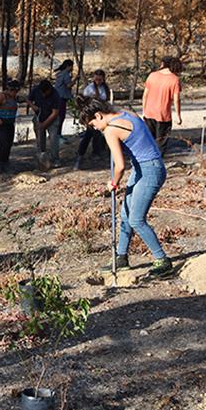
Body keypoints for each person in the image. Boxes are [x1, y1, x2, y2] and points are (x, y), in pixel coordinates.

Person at [78, 96, 173, 277]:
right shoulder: (125, 113)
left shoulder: (111, 130)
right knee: (125, 214)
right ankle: (121, 257)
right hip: (144, 167)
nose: (95, 129)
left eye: (92, 125)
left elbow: (120, 165)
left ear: (98, 116)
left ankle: (163, 260)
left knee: (136, 219)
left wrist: (113, 183)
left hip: (149, 171)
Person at [142, 57, 183, 154]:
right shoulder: (174, 80)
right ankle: (158, 163)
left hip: (149, 112)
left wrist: (144, 110)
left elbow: (145, 95)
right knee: (161, 142)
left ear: (163, 64)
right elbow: (176, 99)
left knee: (149, 141)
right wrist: (178, 116)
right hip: (163, 115)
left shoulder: (152, 75)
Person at [74, 69, 110, 170]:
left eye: (100, 79)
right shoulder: (89, 89)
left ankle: (97, 152)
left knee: (98, 135)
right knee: (89, 135)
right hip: (91, 115)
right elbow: (83, 102)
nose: (98, 81)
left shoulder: (105, 88)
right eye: (96, 79)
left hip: (101, 114)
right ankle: (81, 154)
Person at [0, 79, 21, 174]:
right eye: (14, 91)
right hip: (1, 124)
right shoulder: (2, 96)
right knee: (4, 144)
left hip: (10, 124)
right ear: (10, 90)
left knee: (9, 144)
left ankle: (6, 162)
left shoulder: (14, 98)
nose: (15, 93)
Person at [27, 80, 61, 168]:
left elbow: (55, 113)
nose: (43, 95)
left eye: (45, 93)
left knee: (53, 139)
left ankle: (55, 159)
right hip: (39, 117)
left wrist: (44, 125)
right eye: (42, 93)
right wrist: (33, 106)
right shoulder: (36, 90)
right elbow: (28, 99)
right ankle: (42, 157)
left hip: (52, 119)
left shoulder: (55, 95)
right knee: (40, 139)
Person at [53, 59, 74, 140]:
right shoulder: (66, 74)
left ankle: (57, 133)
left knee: (59, 116)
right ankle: (58, 134)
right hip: (62, 98)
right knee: (61, 116)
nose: (72, 68)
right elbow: (69, 85)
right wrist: (75, 79)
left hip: (58, 96)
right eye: (71, 66)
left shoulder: (60, 74)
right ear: (68, 66)